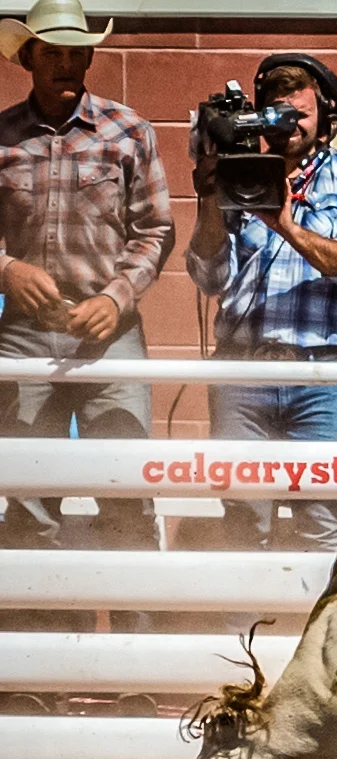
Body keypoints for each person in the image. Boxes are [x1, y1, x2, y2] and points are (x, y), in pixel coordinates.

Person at [186, 54, 337, 551]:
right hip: (243, 374)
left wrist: (285, 225)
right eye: (275, 114)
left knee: (322, 524)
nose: (288, 125)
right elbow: (208, 276)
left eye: (299, 113)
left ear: (325, 116)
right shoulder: (237, 175)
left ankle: (314, 629)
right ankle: (238, 629)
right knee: (241, 522)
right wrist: (209, 194)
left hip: (321, 377)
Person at [0, 0, 173, 554]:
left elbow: (156, 230)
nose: (66, 64)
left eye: (77, 52)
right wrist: (6, 269)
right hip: (26, 331)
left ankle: (137, 634)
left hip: (110, 334)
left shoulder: (129, 131)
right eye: (53, 52)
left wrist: (117, 297)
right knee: (28, 492)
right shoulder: (2, 138)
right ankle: (36, 630)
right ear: (28, 57)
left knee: (125, 487)